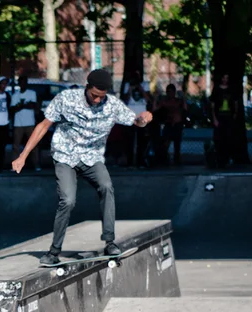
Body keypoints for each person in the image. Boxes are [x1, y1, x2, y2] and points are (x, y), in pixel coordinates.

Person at [11, 69, 153, 267]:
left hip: (91, 158)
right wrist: (23, 156)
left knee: (106, 186)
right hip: (65, 156)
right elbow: (43, 126)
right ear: (87, 87)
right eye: (94, 95)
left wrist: (143, 119)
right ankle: (53, 252)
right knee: (68, 200)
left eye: (101, 97)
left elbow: (134, 121)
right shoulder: (66, 99)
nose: (97, 101)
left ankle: (110, 242)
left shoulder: (111, 105)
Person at [121, 72, 151, 167]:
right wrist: (130, 88)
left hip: (141, 114)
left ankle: (140, 161)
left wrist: (140, 88)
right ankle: (130, 162)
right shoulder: (127, 85)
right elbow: (125, 100)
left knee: (141, 139)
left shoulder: (145, 85)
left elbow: (147, 99)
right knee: (129, 139)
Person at [10, 76, 40, 170]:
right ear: (19, 84)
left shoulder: (32, 93)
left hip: (30, 123)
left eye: (24, 82)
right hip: (18, 124)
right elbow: (13, 109)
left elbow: (33, 105)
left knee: (33, 144)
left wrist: (20, 106)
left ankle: (36, 164)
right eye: (21, 82)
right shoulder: (15, 95)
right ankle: (15, 166)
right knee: (16, 146)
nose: (23, 84)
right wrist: (25, 105)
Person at [154, 84, 187, 166]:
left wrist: (183, 97)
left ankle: (177, 161)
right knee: (165, 143)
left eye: (172, 92)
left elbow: (185, 108)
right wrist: (156, 97)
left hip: (177, 124)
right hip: (168, 124)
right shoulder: (164, 101)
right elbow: (154, 109)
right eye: (169, 92)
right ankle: (164, 159)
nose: (170, 94)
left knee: (177, 144)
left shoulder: (178, 101)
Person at [210, 73, 237, 168]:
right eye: (224, 77)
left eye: (227, 78)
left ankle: (226, 158)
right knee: (219, 139)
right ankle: (220, 158)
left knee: (228, 138)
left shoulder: (231, 89)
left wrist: (234, 114)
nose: (225, 80)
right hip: (220, 116)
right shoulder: (217, 90)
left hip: (228, 117)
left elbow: (235, 102)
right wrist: (214, 118)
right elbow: (213, 105)